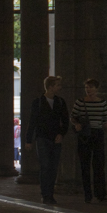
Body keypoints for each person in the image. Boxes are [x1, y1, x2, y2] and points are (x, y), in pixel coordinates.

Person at [25, 75, 70, 204]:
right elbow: (32, 122)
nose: (60, 87)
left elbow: (65, 120)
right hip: (42, 138)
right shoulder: (38, 102)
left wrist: (61, 133)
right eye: (58, 85)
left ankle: (49, 193)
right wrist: (29, 140)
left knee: (53, 167)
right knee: (45, 166)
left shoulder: (60, 102)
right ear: (50, 87)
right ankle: (46, 194)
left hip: (55, 138)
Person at [70, 79, 107, 203]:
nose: (88, 90)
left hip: (97, 133)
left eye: (90, 87)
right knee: (85, 165)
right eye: (87, 88)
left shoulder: (102, 103)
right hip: (85, 134)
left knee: (99, 164)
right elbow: (73, 117)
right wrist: (77, 123)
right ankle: (88, 194)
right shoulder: (80, 102)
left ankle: (100, 193)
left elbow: (105, 119)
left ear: (97, 88)